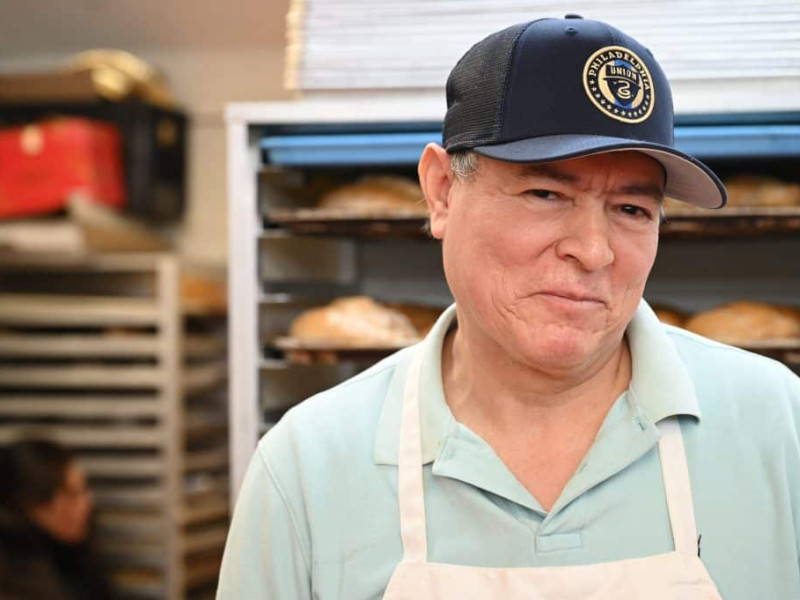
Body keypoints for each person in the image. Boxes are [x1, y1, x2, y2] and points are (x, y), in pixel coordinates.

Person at [217, 15, 800, 599]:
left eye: (632, 210)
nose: (594, 251)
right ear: (441, 191)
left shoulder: (780, 428)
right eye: (545, 194)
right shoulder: (307, 467)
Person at [0, 439, 113, 600]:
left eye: (85, 489)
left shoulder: (74, 559)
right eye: (72, 494)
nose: (87, 503)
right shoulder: (15, 578)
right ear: (32, 504)